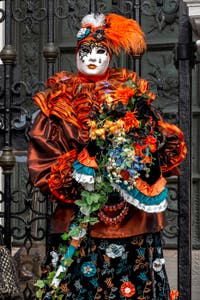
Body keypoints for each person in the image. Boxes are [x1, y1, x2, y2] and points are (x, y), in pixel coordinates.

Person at [28, 12, 186, 300]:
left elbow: (159, 151)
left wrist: (144, 148)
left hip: (133, 223)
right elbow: (44, 167)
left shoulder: (132, 94)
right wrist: (86, 163)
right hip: (79, 222)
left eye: (100, 51)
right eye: (85, 51)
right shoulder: (57, 102)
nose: (92, 57)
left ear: (110, 56)